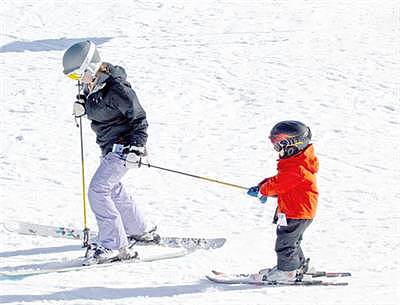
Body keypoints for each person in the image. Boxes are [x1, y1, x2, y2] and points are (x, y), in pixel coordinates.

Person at [62, 40, 159, 263]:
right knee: (112, 189)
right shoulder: (91, 84)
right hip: (108, 147)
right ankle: (139, 230)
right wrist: (83, 105)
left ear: (90, 68)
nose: (77, 81)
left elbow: (140, 119)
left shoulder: (117, 89)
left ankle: (114, 245)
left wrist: (137, 148)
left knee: (98, 190)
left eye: (77, 76)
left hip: (125, 146)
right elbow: (100, 107)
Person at [247, 120, 319, 282]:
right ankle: (297, 266)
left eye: (279, 144)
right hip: (297, 211)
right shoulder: (296, 163)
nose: (277, 149)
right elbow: (281, 182)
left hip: (297, 212)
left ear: (294, 143)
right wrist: (262, 187)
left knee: (285, 244)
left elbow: (280, 183)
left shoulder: (297, 168)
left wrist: (263, 190)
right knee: (292, 241)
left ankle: (288, 271)